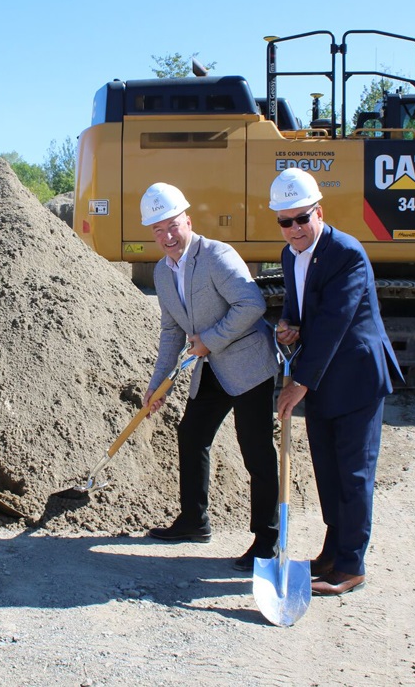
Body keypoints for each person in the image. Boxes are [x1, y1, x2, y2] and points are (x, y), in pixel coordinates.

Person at [270, 168, 402, 596]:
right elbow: (300, 309)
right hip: (323, 378)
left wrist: (298, 383)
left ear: (318, 213)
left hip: (356, 378)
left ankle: (351, 566)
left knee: (353, 473)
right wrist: (288, 325)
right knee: (328, 471)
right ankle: (332, 552)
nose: (294, 229)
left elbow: (333, 323)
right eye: (284, 221)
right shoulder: (291, 256)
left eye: (301, 218)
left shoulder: (347, 252)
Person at [139, 182, 280, 571]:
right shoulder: (163, 272)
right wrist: (159, 383)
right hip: (213, 366)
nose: (167, 236)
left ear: (187, 219)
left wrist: (210, 340)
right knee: (192, 434)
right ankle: (193, 521)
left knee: (255, 451)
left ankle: (267, 541)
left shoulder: (216, 255)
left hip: (248, 364)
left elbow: (252, 304)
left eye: (172, 226)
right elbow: (171, 331)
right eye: (157, 230)